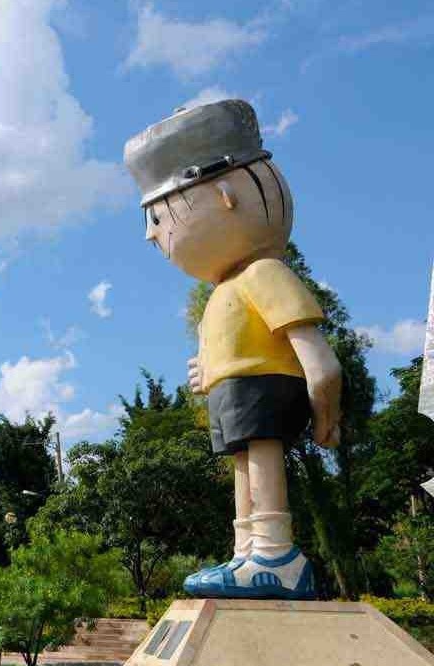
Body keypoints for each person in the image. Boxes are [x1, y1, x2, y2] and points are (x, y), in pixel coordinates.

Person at [124, 99, 342, 599]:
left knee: (261, 458)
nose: (152, 234)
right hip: (234, 392)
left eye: (161, 214)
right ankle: (249, 550)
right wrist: (208, 372)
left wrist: (326, 405)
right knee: (244, 464)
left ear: (224, 196)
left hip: (266, 386)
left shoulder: (265, 273)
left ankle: (276, 552)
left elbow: (315, 353)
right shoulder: (226, 289)